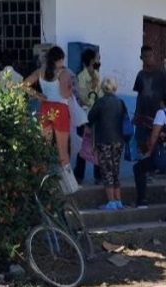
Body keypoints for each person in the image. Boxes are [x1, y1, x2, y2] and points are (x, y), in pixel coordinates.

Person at [23, 46, 76, 190]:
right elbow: (65, 94)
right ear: (60, 59)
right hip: (60, 109)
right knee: (62, 151)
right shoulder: (63, 73)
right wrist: (71, 88)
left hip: (45, 108)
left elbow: (24, 85)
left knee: (44, 148)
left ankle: (41, 184)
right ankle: (69, 187)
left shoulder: (41, 71)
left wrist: (37, 95)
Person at [132, 46, 166, 207]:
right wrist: (136, 115)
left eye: (150, 56)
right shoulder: (140, 75)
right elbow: (139, 96)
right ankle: (143, 192)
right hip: (143, 119)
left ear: (154, 56)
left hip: (158, 121)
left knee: (160, 151)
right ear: (141, 57)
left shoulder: (162, 74)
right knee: (143, 150)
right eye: (144, 56)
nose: (148, 59)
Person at [88, 77, 127, 210]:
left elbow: (90, 118)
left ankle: (111, 202)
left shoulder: (100, 102)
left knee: (107, 171)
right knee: (115, 170)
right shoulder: (120, 102)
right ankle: (118, 200)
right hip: (119, 141)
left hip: (104, 140)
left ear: (103, 88)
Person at [75, 48, 102, 184]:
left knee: (98, 145)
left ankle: (99, 176)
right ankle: (79, 176)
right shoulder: (81, 77)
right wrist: (92, 88)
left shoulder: (97, 75)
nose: (99, 60)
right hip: (84, 117)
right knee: (83, 146)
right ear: (91, 61)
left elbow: (101, 96)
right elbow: (83, 99)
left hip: (97, 116)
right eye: (97, 58)